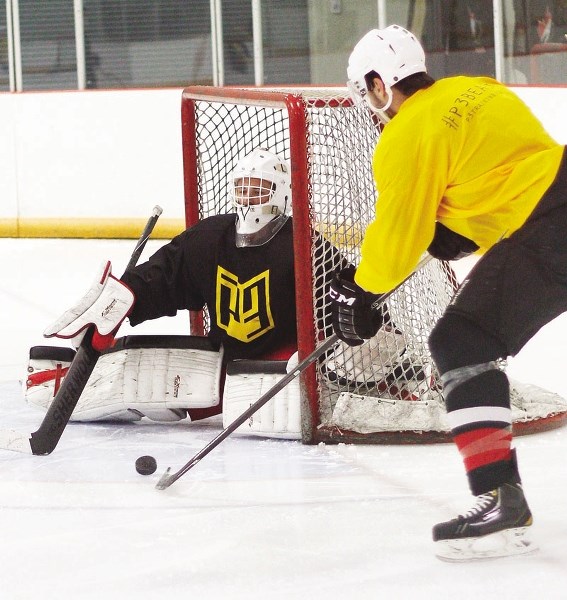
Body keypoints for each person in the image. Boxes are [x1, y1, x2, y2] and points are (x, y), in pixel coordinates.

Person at [329, 24, 566, 560]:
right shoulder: (478, 89)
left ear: (378, 83)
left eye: (366, 93)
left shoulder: (404, 133)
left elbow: (397, 235)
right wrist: (460, 232)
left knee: (462, 342)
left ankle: (499, 500)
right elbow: (508, 172)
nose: (369, 107)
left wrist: (361, 292)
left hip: (551, 230)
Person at [25, 148, 408, 438]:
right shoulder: (211, 237)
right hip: (222, 363)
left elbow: (350, 302)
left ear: (282, 194)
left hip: (285, 365)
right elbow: (167, 274)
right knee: (147, 381)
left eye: (260, 189)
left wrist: (376, 335)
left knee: (311, 379)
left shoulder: (305, 246)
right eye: (243, 187)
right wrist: (127, 294)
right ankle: (65, 379)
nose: (250, 197)